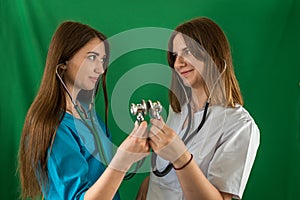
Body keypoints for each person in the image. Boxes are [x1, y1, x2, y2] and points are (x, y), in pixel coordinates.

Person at [18, 21, 149, 200]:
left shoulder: (88, 116)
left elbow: (102, 179)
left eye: (103, 60)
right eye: (92, 57)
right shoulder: (54, 126)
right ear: (63, 62)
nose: (101, 69)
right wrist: (123, 160)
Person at [137, 17, 260, 200]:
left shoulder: (240, 126)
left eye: (187, 51)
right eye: (175, 56)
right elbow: (163, 175)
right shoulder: (177, 110)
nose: (179, 63)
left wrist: (180, 157)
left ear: (214, 55)